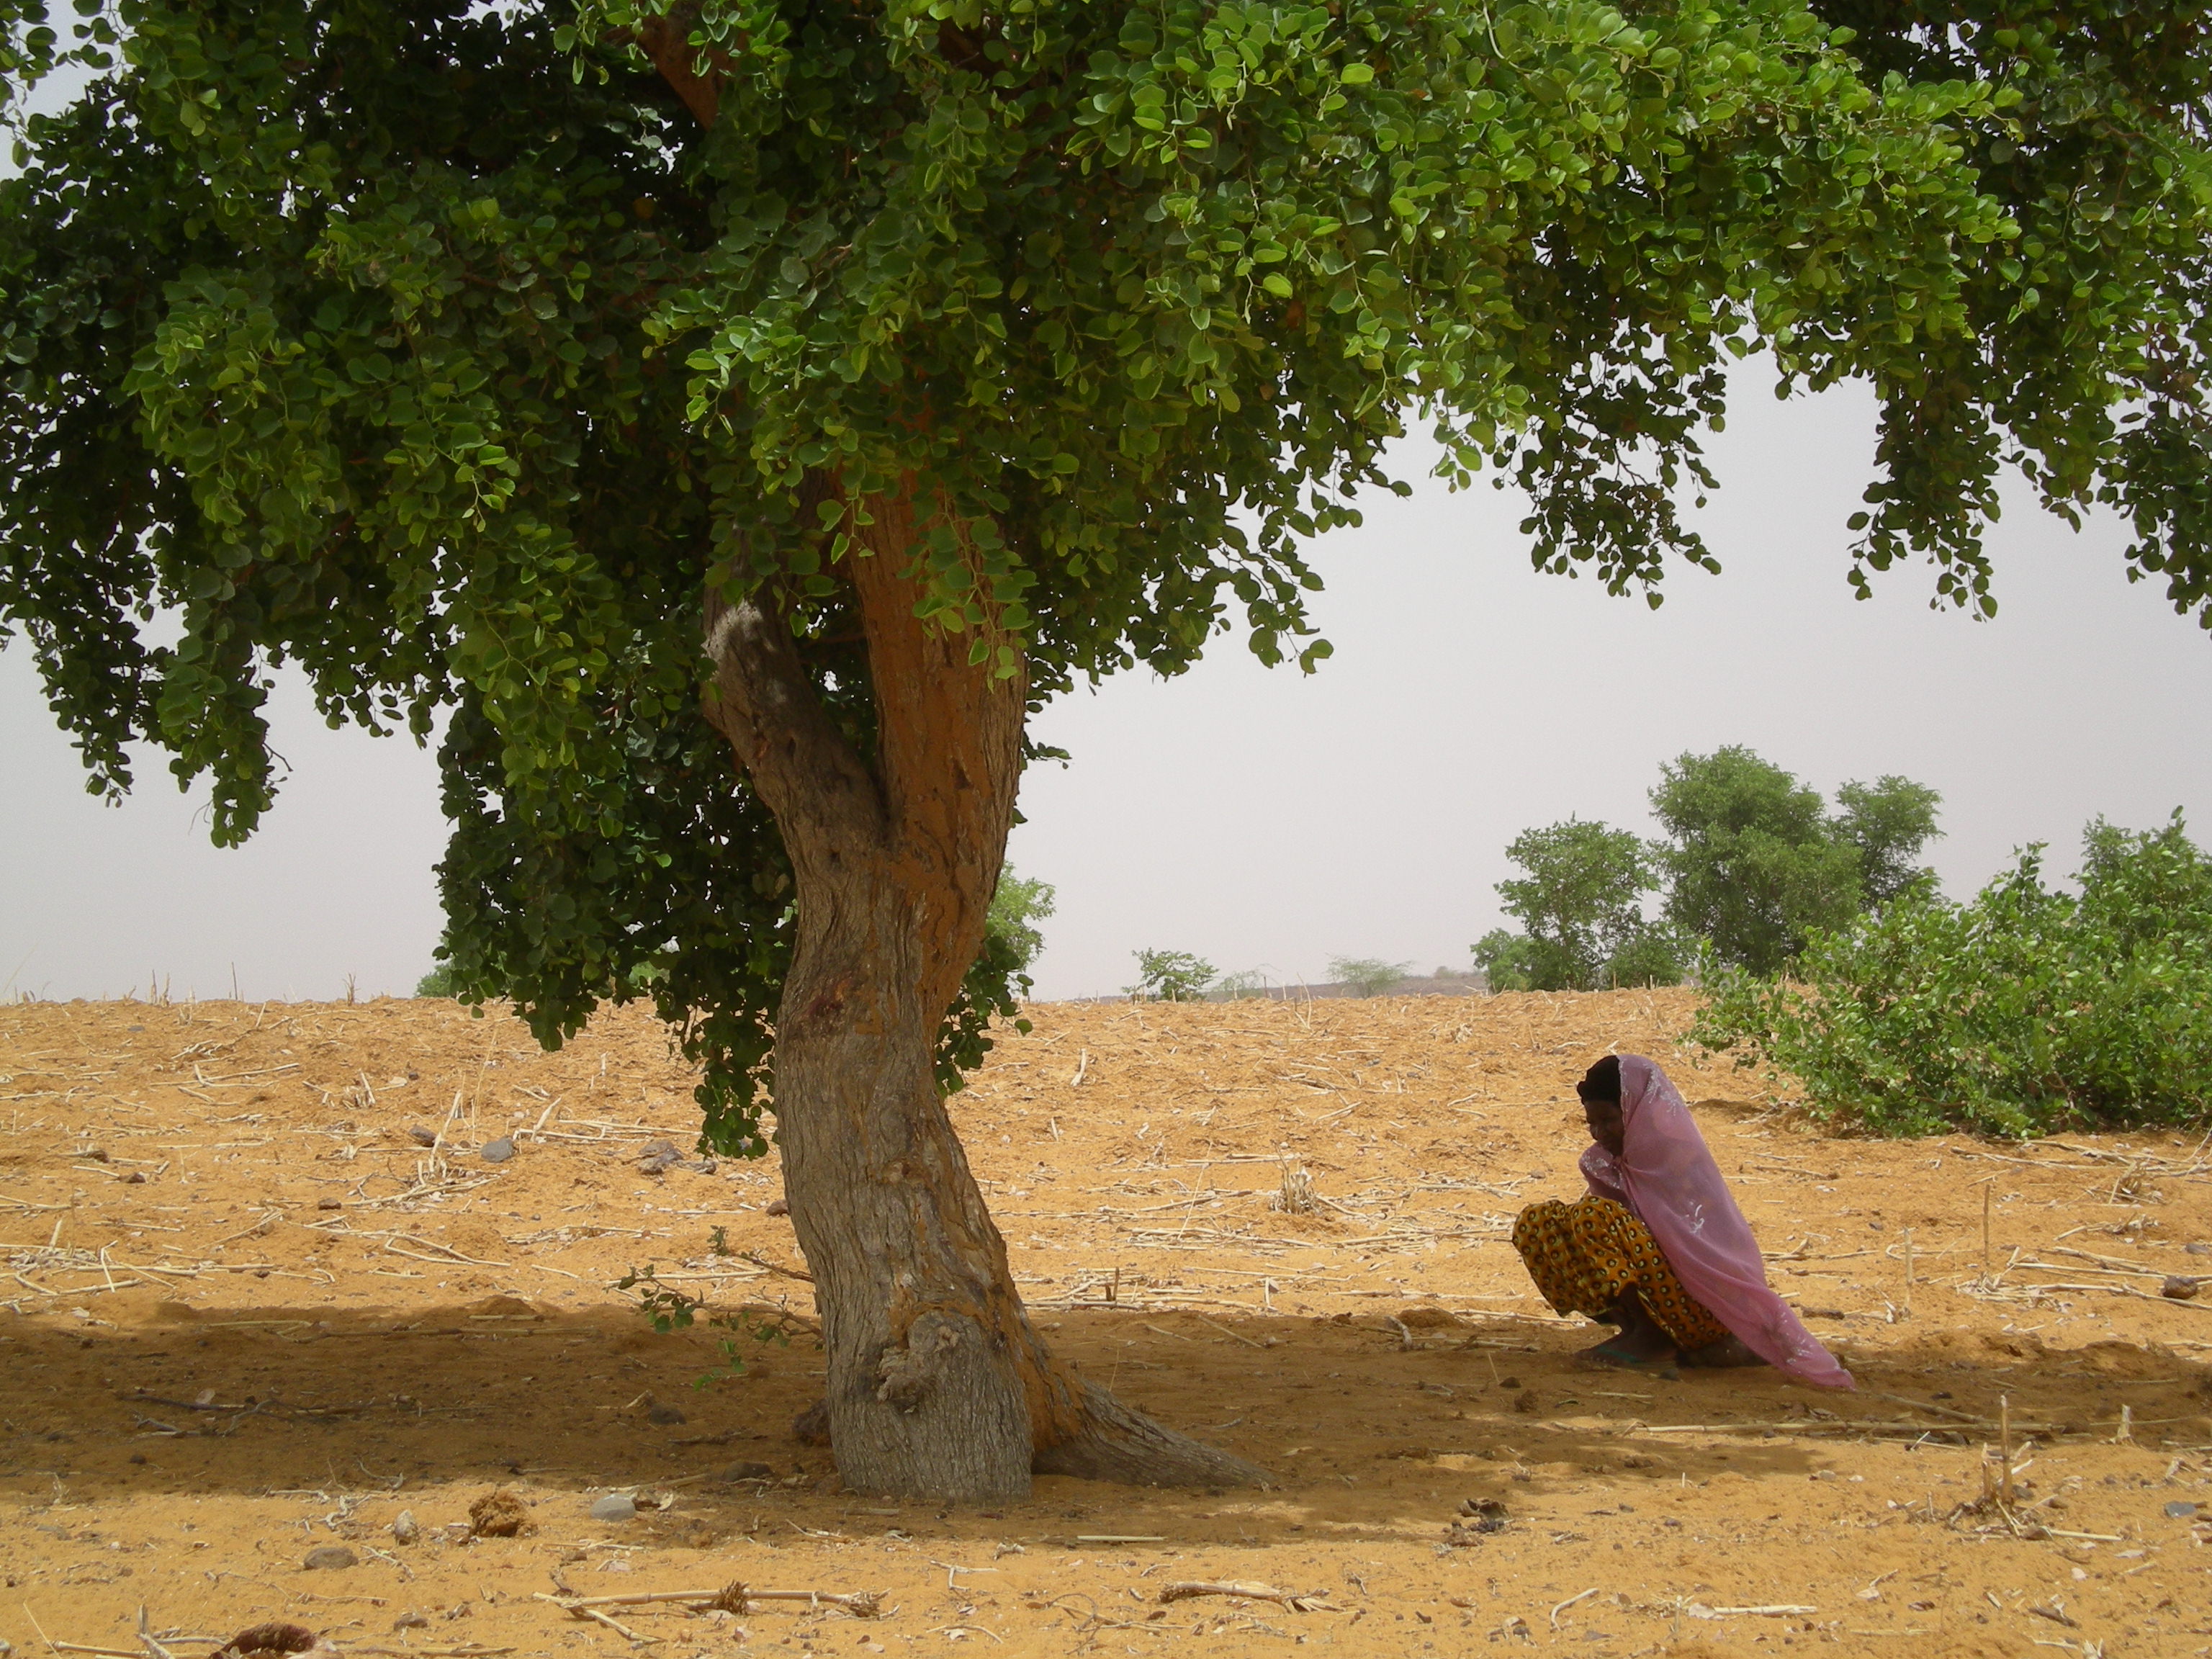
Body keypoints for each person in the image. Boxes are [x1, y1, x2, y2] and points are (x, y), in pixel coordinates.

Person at [1509, 1053, 1853, 1387]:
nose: (1599, 1133)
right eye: (1592, 1124)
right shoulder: (1605, 1164)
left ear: (1636, 1112)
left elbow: (1703, 1249)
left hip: (1705, 1306)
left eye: (1608, 1120)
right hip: (1663, 1300)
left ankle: (1652, 1340)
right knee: (1538, 1222)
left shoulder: (1680, 1161)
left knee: (1591, 1216)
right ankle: (1637, 1331)